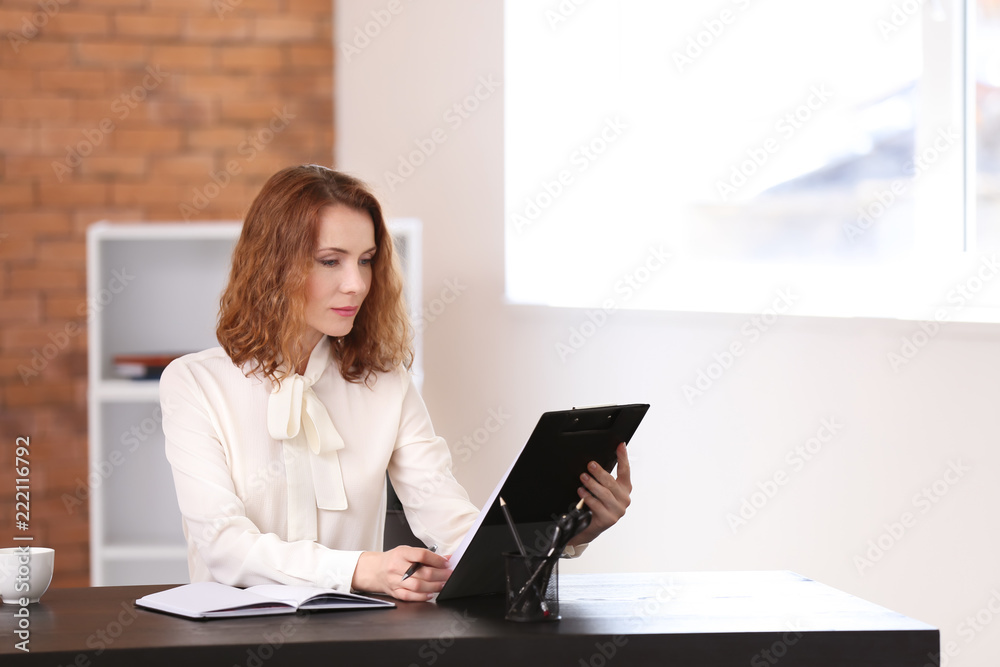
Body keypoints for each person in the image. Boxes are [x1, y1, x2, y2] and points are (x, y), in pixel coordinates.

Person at [160, 164, 632, 601]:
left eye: (366, 260)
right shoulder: (194, 383)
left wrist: (570, 532)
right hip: (227, 640)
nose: (356, 283)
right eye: (330, 261)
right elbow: (223, 546)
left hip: (351, 640)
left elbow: (453, 527)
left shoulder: (387, 384)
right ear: (272, 264)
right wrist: (360, 569)